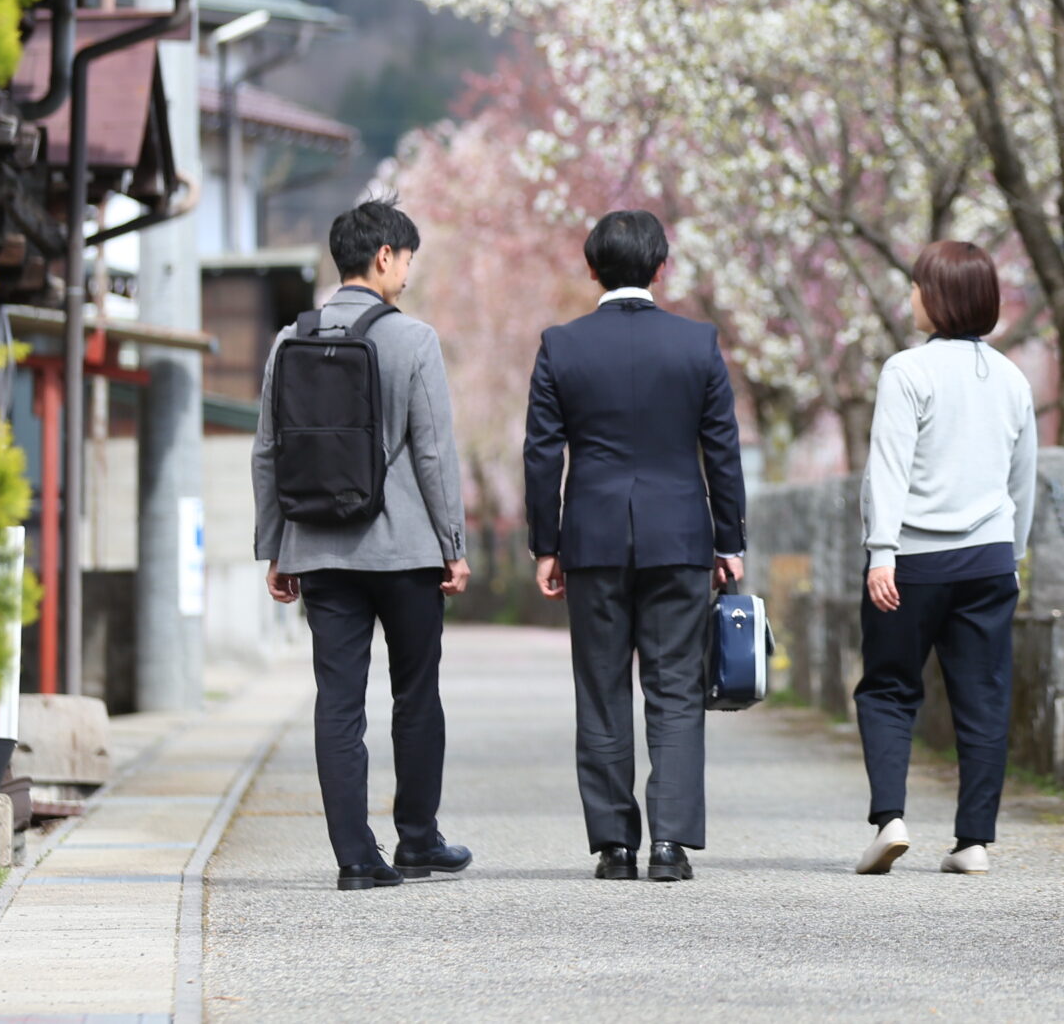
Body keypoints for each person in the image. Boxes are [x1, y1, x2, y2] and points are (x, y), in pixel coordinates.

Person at [252, 199, 473, 892]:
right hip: (404, 552)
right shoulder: (413, 340)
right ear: (383, 256)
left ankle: (354, 856)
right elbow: (433, 454)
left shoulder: (291, 339)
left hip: (318, 549)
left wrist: (276, 546)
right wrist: (454, 544)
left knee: (337, 702)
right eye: (406, 258)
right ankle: (417, 838)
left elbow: (268, 452)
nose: (407, 272)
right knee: (416, 694)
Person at [523, 209, 747, 882]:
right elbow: (723, 451)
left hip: (591, 537)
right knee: (676, 686)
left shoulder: (561, 345)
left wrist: (546, 542)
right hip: (679, 535)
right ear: (660, 266)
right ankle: (669, 844)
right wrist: (730, 539)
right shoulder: (697, 343)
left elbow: (541, 452)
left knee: (600, 689)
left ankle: (614, 844)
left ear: (591, 268)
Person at [851, 240, 1037, 876]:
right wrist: (1013, 555)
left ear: (938, 298)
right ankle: (974, 843)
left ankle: (890, 820)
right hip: (988, 560)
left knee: (888, 689)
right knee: (983, 697)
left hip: (911, 562)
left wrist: (881, 553)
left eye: (917, 286)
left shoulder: (907, 371)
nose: (911, 297)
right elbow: (1024, 480)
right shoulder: (1014, 378)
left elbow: (888, 470)